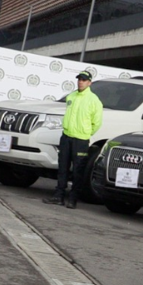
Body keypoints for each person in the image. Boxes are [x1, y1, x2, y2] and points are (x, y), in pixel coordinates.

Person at [43, 71, 102, 209]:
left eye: (84, 80)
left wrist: (85, 133)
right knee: (62, 167)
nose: (80, 81)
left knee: (78, 170)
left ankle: (73, 198)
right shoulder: (72, 96)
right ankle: (58, 196)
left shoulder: (94, 100)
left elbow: (97, 122)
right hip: (66, 136)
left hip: (80, 140)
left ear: (89, 83)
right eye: (79, 79)